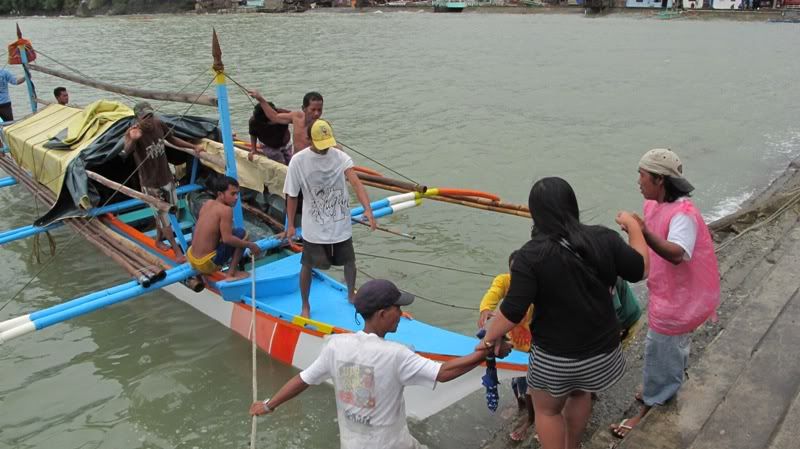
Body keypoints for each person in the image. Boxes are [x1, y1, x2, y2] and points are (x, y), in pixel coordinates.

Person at [479, 177, 649, 449]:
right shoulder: (604, 238)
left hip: (555, 359)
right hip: (601, 353)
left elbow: (512, 311)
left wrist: (488, 338)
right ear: (573, 206)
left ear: (535, 214)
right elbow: (641, 269)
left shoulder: (530, 255)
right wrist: (633, 227)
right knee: (580, 392)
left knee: (547, 410)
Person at [249, 278, 513, 449]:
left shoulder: (335, 346)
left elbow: (302, 380)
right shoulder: (395, 354)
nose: (401, 313)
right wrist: (487, 349)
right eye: (397, 308)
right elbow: (443, 373)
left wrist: (268, 405)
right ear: (382, 314)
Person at [609, 148, 720, 439]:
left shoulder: (683, 213)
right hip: (667, 290)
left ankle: (652, 406)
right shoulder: (654, 206)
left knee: (659, 347)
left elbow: (677, 253)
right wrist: (637, 231)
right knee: (670, 346)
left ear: (659, 180)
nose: (638, 181)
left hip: (680, 298)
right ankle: (663, 383)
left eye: (642, 176)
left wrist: (642, 233)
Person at [283, 119, 376, 318]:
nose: (326, 149)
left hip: (340, 222)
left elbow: (356, 183)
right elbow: (291, 194)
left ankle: (351, 294)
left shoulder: (341, 157)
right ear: (310, 140)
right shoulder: (298, 161)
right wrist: (290, 225)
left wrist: (368, 209)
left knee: (349, 260)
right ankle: (305, 305)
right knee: (307, 264)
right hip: (313, 227)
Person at [120, 101, 204, 262]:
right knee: (164, 216)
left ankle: (158, 240)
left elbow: (172, 139)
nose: (149, 120)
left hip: (166, 177)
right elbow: (126, 151)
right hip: (150, 183)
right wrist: (133, 139)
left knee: (172, 211)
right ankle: (177, 250)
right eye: (145, 117)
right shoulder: (133, 132)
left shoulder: (159, 124)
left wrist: (193, 146)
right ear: (137, 118)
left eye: (151, 115)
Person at [477, 250, 536, 442]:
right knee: (515, 380)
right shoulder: (505, 281)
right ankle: (521, 407)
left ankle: (531, 418)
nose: (517, 278)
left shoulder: (537, 284)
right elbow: (493, 294)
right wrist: (486, 309)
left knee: (531, 386)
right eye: (514, 273)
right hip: (515, 342)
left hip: (536, 342)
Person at [186, 176, 262, 281]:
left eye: (237, 194)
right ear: (220, 194)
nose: (236, 197)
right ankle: (231, 274)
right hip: (206, 263)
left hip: (191, 258)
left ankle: (201, 272)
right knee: (242, 234)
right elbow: (227, 239)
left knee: (201, 230)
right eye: (232, 194)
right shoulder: (226, 210)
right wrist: (250, 245)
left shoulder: (208, 203)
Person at [248, 89, 324, 153]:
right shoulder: (296, 117)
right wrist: (260, 99)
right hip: (296, 161)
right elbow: (274, 117)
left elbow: (330, 147)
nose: (317, 113)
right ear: (304, 108)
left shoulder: (321, 126)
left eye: (319, 110)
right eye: (313, 110)